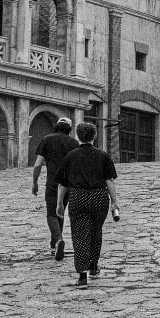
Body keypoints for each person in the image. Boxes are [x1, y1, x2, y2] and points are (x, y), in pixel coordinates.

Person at [55, 122, 119, 287]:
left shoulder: (70, 156)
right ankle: (93, 266)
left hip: (78, 197)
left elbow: (62, 183)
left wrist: (60, 204)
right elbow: (109, 181)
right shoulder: (103, 155)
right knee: (96, 231)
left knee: (80, 234)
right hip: (99, 197)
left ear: (77, 136)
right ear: (94, 136)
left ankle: (82, 275)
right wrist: (115, 202)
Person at [32, 117, 79, 260]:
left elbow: (38, 164)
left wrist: (34, 182)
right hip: (69, 184)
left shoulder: (46, 140)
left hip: (53, 183)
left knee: (51, 214)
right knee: (61, 211)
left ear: (56, 126)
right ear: (69, 129)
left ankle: (58, 240)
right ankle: (54, 243)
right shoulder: (74, 143)